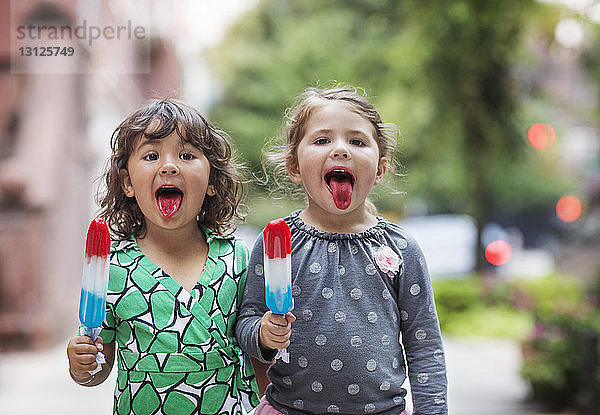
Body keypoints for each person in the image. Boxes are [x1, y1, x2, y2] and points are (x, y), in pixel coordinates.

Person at [236, 85, 448, 415]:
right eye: (322, 140)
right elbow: (245, 323)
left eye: (357, 141)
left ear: (380, 168)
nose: (340, 150)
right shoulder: (277, 240)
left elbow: (425, 347)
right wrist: (263, 333)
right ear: (294, 166)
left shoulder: (401, 249)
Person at [66, 99, 261, 414]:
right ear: (128, 182)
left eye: (186, 155)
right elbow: (98, 368)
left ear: (211, 181)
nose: (169, 166)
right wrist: (83, 365)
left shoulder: (238, 257)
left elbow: (256, 349)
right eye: (152, 155)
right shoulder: (111, 268)